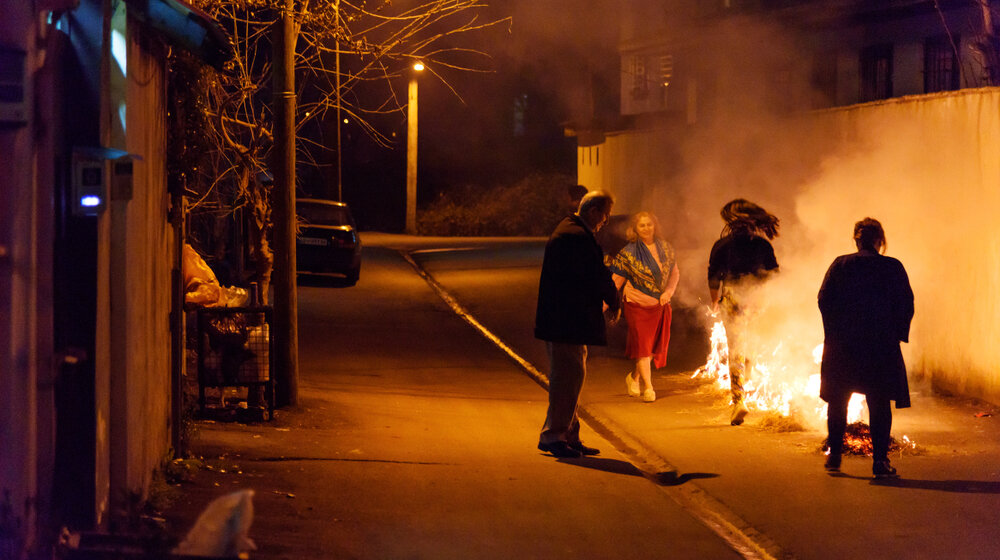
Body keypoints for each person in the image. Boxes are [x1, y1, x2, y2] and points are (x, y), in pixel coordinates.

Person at [818, 218, 914, 479]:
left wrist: (833, 334)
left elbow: (824, 299)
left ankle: (835, 456)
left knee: (838, 400)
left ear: (856, 240)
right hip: (879, 346)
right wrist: (896, 334)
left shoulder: (840, 264)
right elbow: (906, 303)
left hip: (843, 346)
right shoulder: (892, 267)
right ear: (880, 240)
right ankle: (880, 462)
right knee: (879, 402)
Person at [535, 190, 619, 458]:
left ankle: (569, 433)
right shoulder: (576, 237)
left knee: (572, 376)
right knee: (567, 378)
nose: (604, 222)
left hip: (565, 319)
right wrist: (614, 301)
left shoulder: (571, 230)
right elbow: (596, 274)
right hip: (566, 320)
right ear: (593, 211)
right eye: (605, 216)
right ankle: (554, 436)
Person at [707, 198, 780, 426]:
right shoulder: (763, 245)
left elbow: (713, 278)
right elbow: (774, 274)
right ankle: (745, 383)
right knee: (751, 344)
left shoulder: (722, 245)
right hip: (755, 298)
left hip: (733, 297)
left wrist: (715, 302)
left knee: (736, 347)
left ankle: (739, 399)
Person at [609, 211, 679, 403]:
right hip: (636, 304)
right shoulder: (629, 253)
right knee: (643, 348)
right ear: (635, 229)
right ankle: (649, 388)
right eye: (642, 225)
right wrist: (603, 306)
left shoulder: (666, 248)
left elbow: (674, 274)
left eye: (649, 224)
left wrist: (668, 293)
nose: (646, 228)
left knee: (650, 349)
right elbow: (615, 282)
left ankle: (634, 377)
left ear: (655, 226)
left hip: (659, 305)